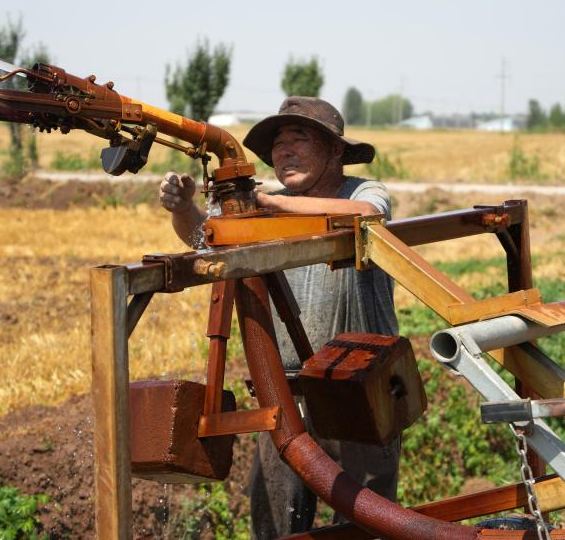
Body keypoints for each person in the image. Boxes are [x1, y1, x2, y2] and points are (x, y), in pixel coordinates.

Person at [158, 96, 399, 538]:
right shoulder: (266, 206)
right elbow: (206, 240)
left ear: (336, 151)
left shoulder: (361, 193)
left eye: (298, 139)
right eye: (277, 143)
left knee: (367, 522)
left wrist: (274, 206)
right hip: (285, 392)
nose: (284, 151)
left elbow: (370, 217)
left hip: (361, 391)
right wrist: (184, 209)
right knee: (275, 524)